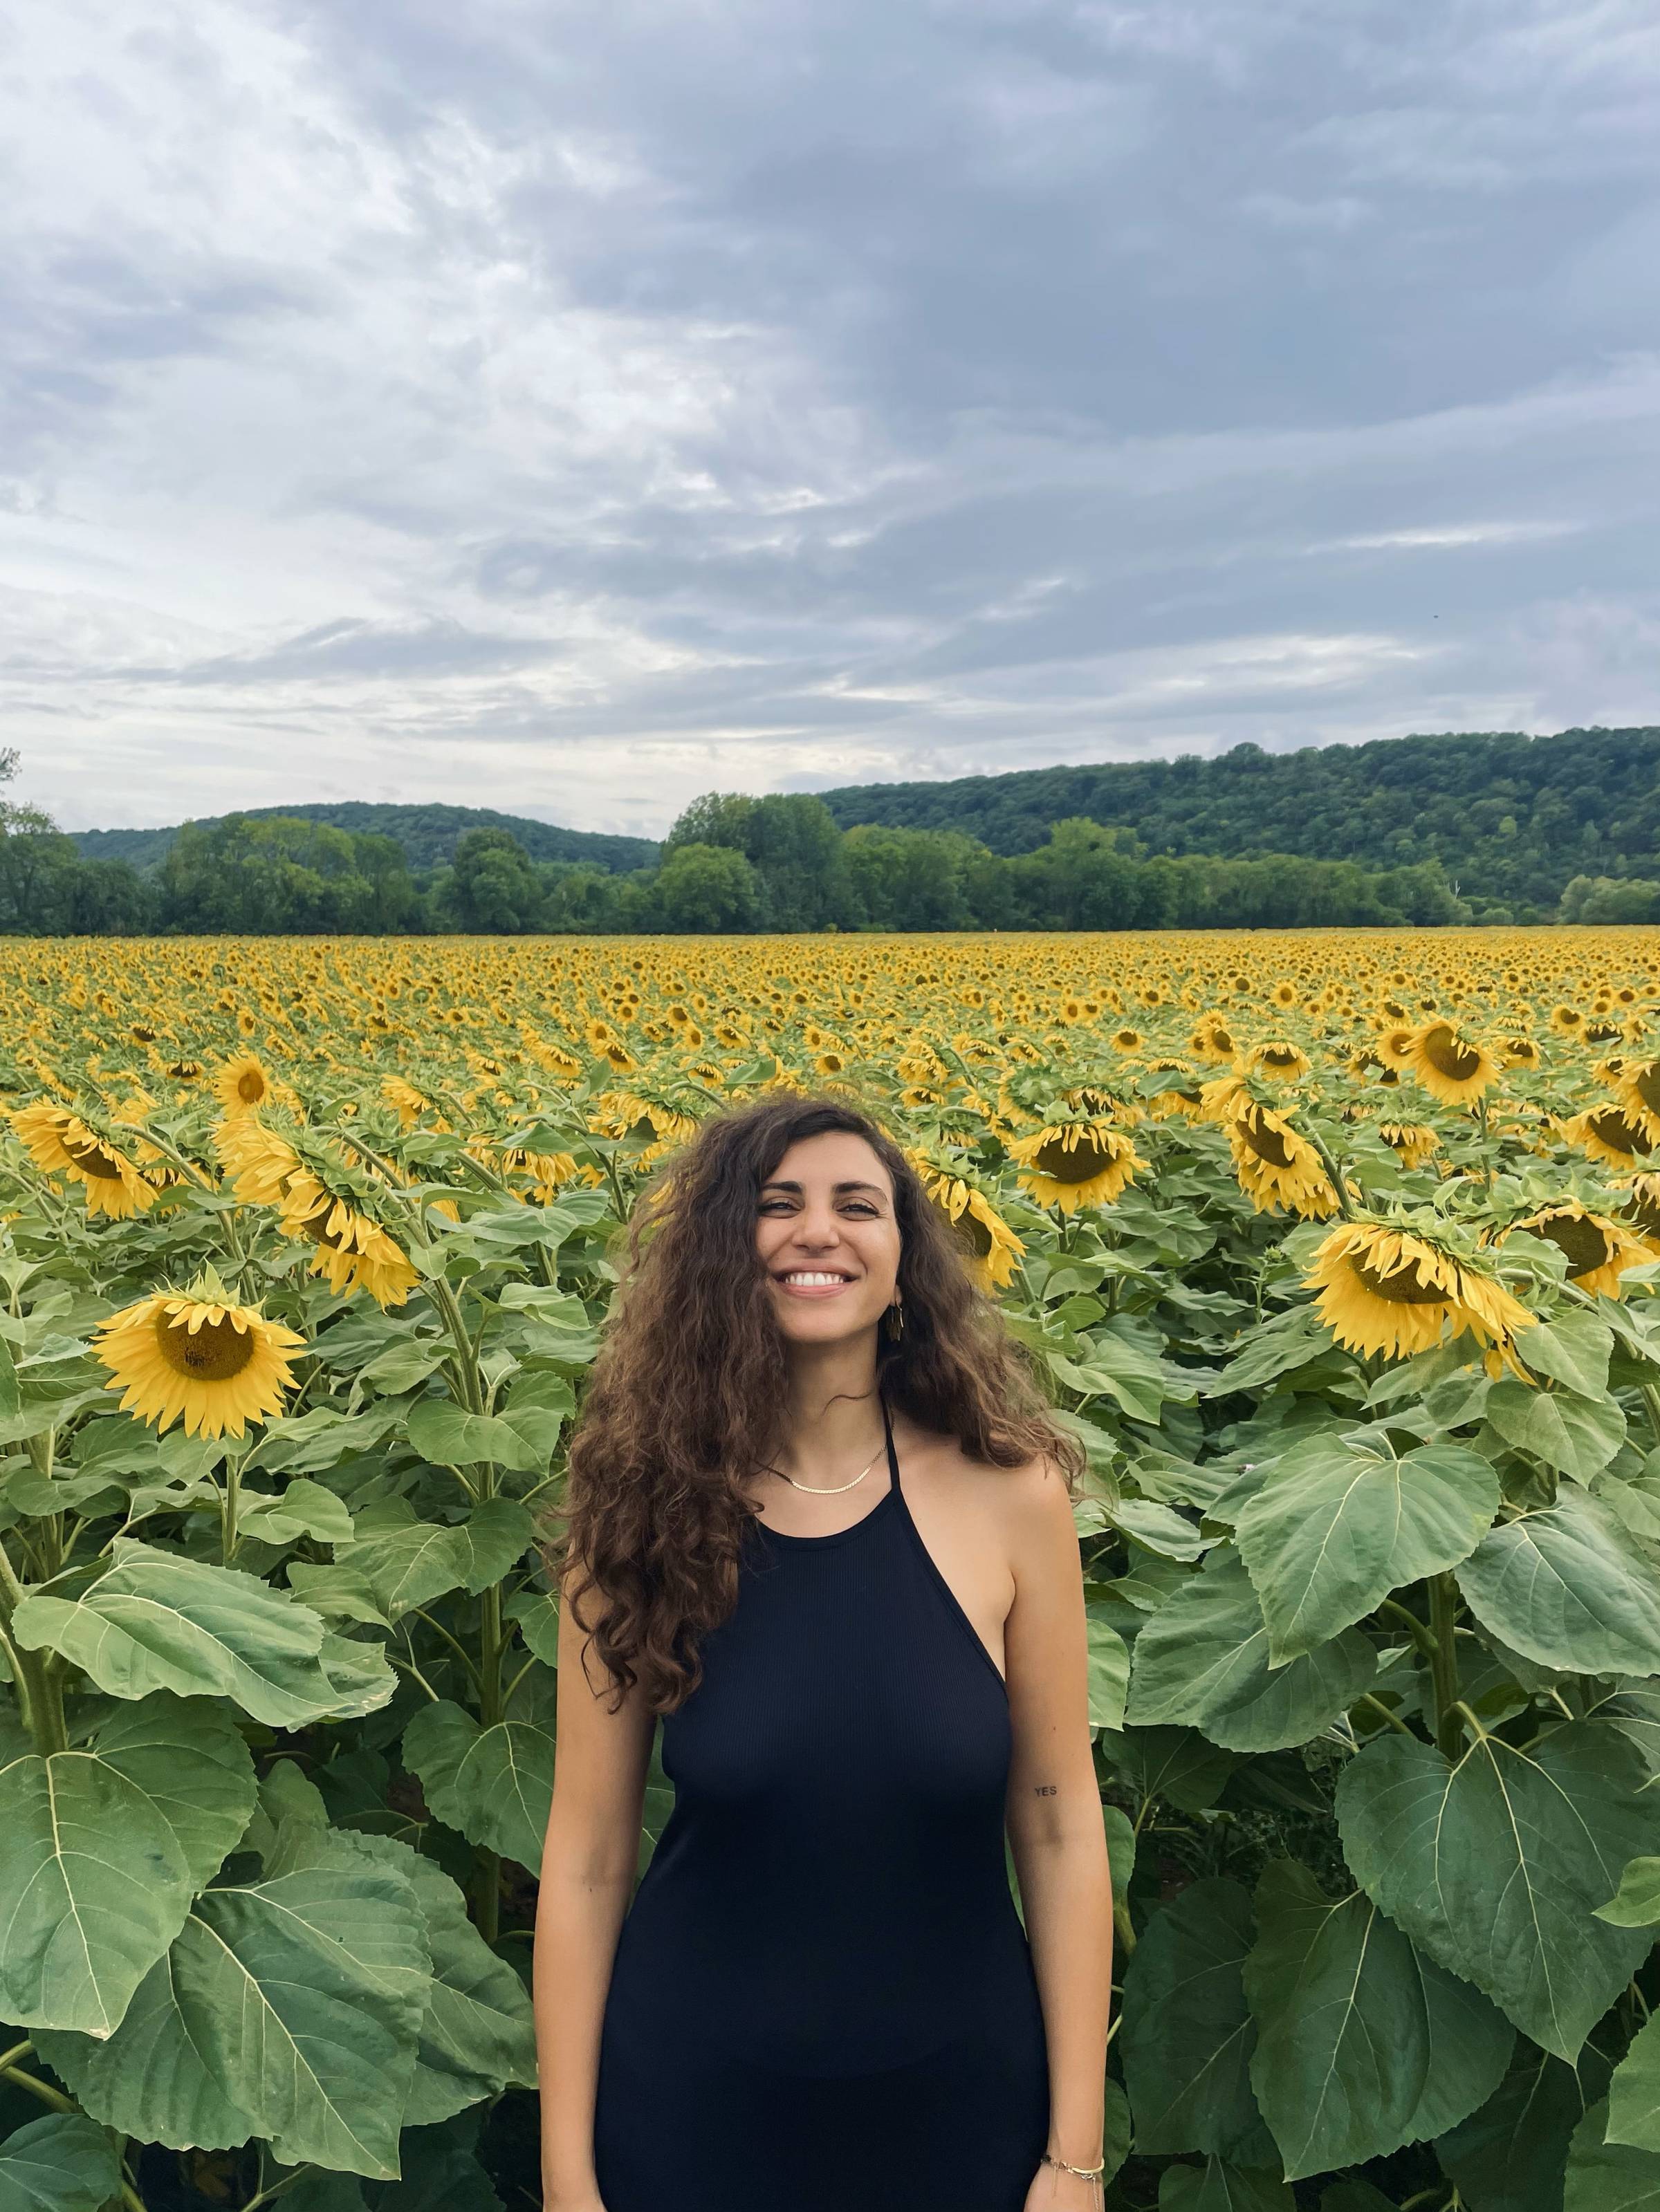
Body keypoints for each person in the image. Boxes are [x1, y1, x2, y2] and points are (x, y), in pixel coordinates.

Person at [533, 1094, 1114, 2212]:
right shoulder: (636, 1512)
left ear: (906, 1262)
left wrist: (1073, 2155)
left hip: (963, 2112)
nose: (818, 1232)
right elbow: (590, 1854)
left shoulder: (1013, 1499)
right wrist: (569, 2180)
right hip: (693, 2117)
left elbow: (1057, 1822)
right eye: (776, 1205)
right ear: (720, 1254)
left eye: (859, 1206)